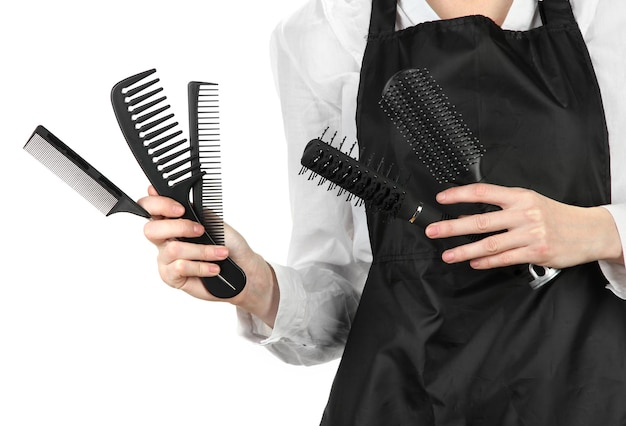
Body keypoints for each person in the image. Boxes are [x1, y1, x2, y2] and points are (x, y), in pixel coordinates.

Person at [138, 0, 626, 424]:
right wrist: (260, 287)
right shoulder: (320, 33)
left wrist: (601, 230)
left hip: (588, 392)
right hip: (403, 400)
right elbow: (344, 302)